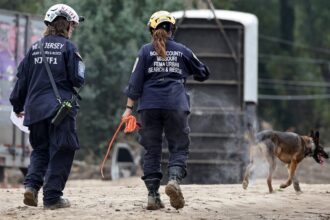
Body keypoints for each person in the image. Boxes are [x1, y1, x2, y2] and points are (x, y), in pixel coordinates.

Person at [122, 11, 210, 210]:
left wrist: (128, 109)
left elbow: (134, 84)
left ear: (151, 30)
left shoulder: (144, 51)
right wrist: (187, 73)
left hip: (149, 107)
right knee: (178, 147)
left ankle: (153, 196)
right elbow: (203, 72)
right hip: (176, 105)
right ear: (173, 29)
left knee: (151, 151)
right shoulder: (182, 50)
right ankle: (174, 181)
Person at [9, 4, 85, 210]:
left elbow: (20, 83)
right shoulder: (69, 48)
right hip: (60, 110)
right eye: (73, 26)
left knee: (40, 150)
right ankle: (52, 197)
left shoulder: (34, 48)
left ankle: (31, 187)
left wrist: (17, 105)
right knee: (63, 149)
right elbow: (78, 79)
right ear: (68, 25)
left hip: (35, 111)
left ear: (49, 25)